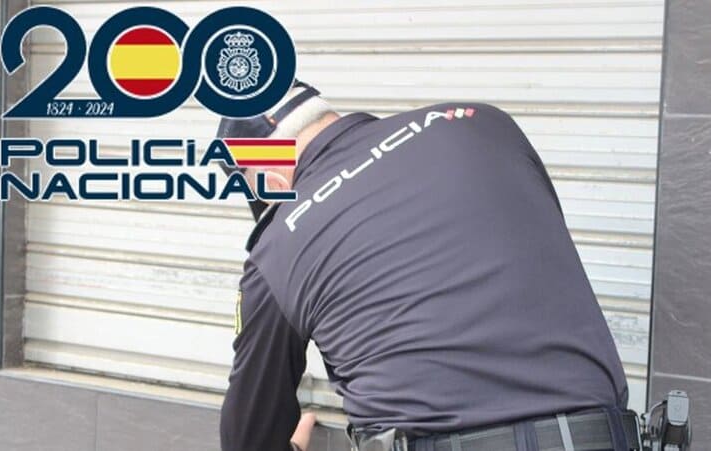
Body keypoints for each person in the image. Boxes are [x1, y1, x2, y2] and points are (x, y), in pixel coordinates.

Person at [218, 81, 637, 451]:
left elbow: (248, 439)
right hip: (598, 436)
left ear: (272, 182)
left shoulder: (277, 245)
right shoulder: (483, 123)